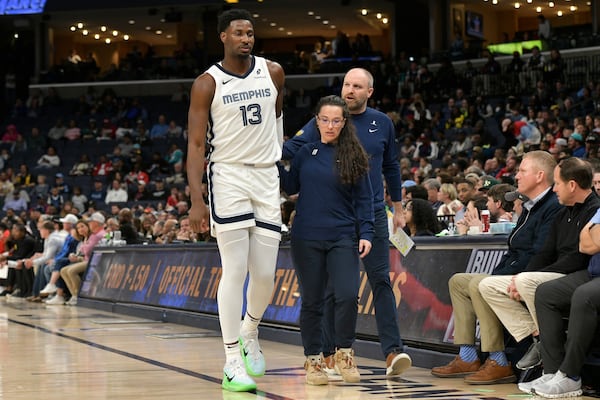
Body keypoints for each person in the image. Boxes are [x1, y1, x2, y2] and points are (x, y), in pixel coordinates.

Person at [282, 67, 413, 378]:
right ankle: (328, 354)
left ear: (369, 92)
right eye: (346, 84)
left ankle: (393, 351)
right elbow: (289, 152)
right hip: (331, 219)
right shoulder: (326, 121)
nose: (349, 90)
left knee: (381, 280)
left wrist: (398, 208)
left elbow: (392, 167)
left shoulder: (382, 123)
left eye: (357, 86)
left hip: (371, 212)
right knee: (331, 291)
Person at [186, 8, 285, 393]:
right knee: (236, 270)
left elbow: (276, 119)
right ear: (223, 37)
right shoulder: (206, 83)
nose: (247, 38)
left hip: (265, 176)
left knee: (265, 274)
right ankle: (230, 361)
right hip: (227, 174)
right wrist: (197, 200)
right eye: (239, 33)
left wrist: (277, 161)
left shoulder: (273, 72)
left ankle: (250, 330)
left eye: (251, 33)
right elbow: (195, 145)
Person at [431, 151, 561, 384]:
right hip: (513, 270)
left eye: (522, 170)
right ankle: (467, 356)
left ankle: (499, 361)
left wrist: (506, 277)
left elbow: (540, 254)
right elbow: (514, 249)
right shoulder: (530, 205)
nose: (516, 175)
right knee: (459, 281)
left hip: (533, 275)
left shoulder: (553, 205)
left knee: (482, 283)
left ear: (540, 175)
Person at [280, 95, 374, 385]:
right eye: (325, 119)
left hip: (343, 235)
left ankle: (344, 353)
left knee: (347, 295)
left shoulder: (354, 156)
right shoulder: (305, 153)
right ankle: (314, 360)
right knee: (312, 301)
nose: (330, 125)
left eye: (336, 120)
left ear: (344, 123)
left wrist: (367, 232)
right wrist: (273, 164)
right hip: (306, 236)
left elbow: (364, 199)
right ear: (316, 120)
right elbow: (289, 187)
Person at [479, 157, 600, 372]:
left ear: (572, 185)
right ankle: (538, 337)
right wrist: (520, 277)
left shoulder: (593, 208)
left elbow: (579, 256)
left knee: (528, 282)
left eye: (558, 184)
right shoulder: (563, 212)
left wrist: (529, 276)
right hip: (553, 273)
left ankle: (549, 349)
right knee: (488, 286)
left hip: (573, 274)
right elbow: (545, 252)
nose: (554, 190)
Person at [518, 207, 600, 397]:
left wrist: (593, 235)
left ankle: (570, 376)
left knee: (583, 295)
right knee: (546, 292)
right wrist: (592, 236)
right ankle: (553, 371)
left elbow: (593, 240)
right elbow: (585, 244)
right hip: (593, 273)